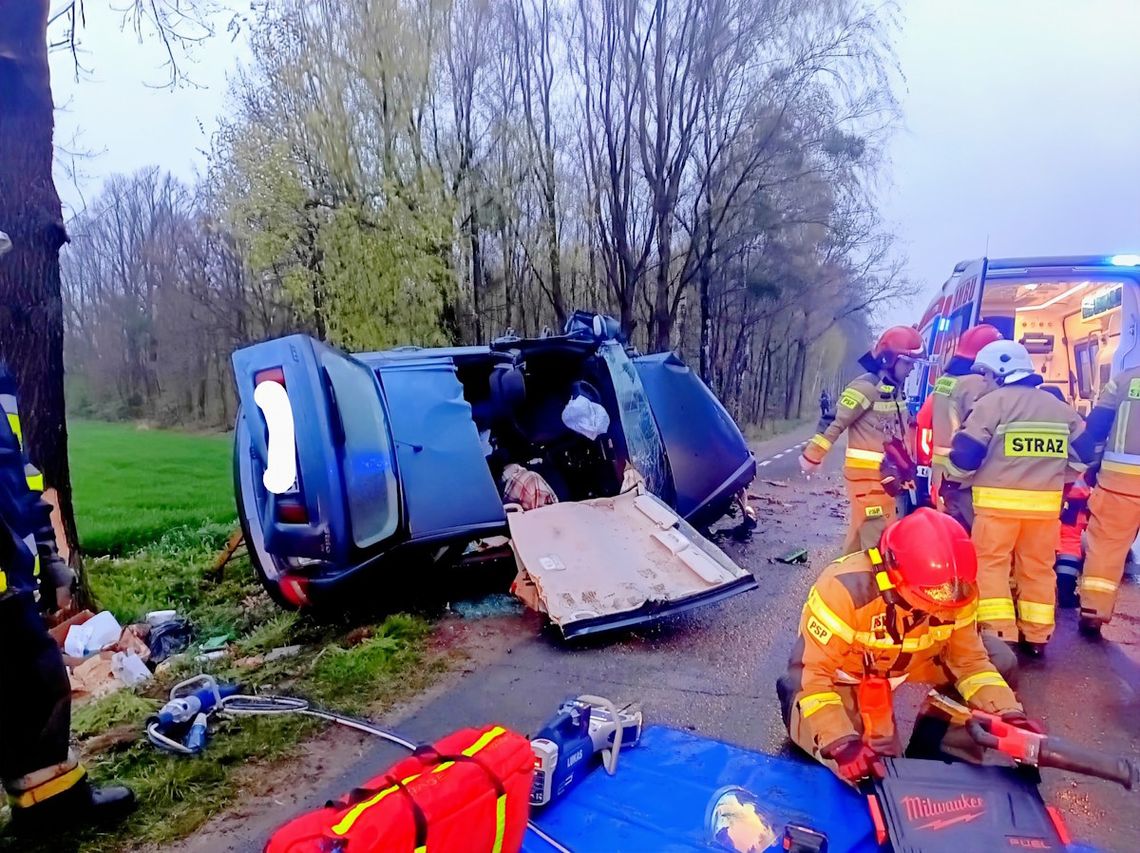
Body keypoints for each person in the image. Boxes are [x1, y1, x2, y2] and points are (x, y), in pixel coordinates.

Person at [777, 508, 1029, 784]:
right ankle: (798, 717)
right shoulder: (843, 590)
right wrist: (840, 741)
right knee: (867, 772)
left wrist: (1008, 714)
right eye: (934, 597)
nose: (943, 609)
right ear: (894, 574)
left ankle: (941, 755)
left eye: (952, 596)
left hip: (913, 662)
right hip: (845, 675)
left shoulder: (959, 589)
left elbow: (970, 662)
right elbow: (811, 677)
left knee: (999, 659)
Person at [0, 370, 135, 836]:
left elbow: (16, 471)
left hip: (7, 576)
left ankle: (46, 806)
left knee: (36, 686)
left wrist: (48, 554)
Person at [947, 341, 1084, 656]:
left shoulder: (992, 404)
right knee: (1037, 568)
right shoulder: (1059, 409)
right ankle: (1037, 636)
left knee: (992, 566)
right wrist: (1060, 475)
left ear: (1000, 370)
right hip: (1045, 511)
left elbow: (965, 457)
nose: (984, 380)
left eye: (986, 373)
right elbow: (1086, 456)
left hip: (997, 509)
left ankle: (999, 634)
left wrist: (953, 476)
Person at [800, 326, 925, 554]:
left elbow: (898, 433)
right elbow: (834, 420)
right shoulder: (865, 387)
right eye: (907, 363)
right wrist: (813, 455)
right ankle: (872, 588)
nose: (910, 370)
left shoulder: (894, 390)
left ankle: (843, 585)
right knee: (876, 545)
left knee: (859, 542)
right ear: (889, 359)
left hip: (884, 479)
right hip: (868, 480)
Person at [1069, 365, 1140, 638]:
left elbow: (1097, 430)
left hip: (1119, 483)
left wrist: (1090, 468)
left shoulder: (1123, 381)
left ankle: (1094, 613)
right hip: (1117, 482)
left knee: (1106, 549)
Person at [930, 324, 1004, 531]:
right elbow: (984, 425)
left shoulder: (945, 381)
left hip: (943, 472)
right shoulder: (977, 383)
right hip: (966, 474)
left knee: (949, 535)